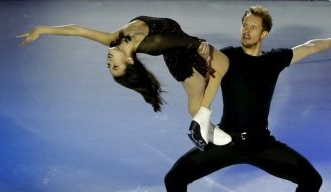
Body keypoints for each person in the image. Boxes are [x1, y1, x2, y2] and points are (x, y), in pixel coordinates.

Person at [152, 6, 331, 192]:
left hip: (260, 144)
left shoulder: (273, 60)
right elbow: (203, 52)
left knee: (311, 180)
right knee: (174, 179)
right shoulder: (227, 57)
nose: (246, 31)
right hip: (226, 141)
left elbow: (309, 47)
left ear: (264, 33)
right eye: (244, 26)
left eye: (253, 27)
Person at [18, 16, 231, 148]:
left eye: (109, 66)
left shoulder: (112, 40)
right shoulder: (152, 44)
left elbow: (77, 30)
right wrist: (198, 44)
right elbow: (176, 40)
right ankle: (204, 119)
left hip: (175, 48)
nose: (109, 62)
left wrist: (42, 30)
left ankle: (203, 121)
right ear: (130, 61)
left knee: (199, 95)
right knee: (222, 65)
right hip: (179, 45)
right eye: (116, 66)